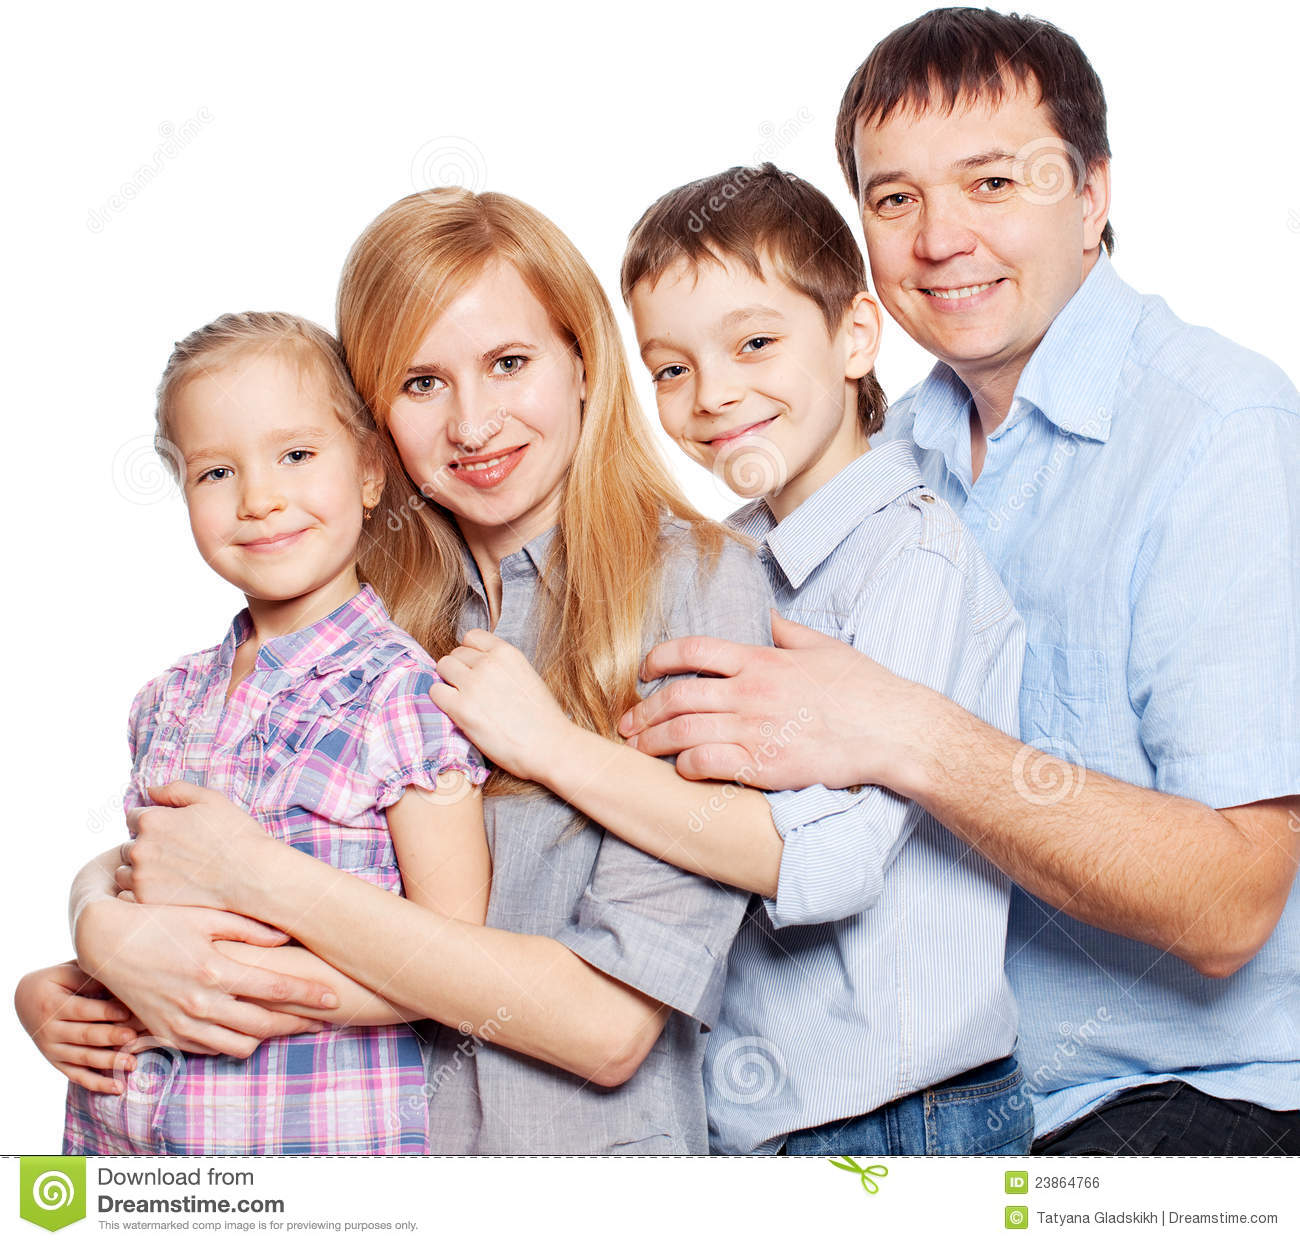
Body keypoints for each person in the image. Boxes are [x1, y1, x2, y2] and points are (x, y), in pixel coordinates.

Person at [617, 8, 1300, 1156]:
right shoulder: (866, 468)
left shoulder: (1218, 432)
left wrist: (906, 734)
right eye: (894, 200)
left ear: (1091, 195)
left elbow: (1229, 905)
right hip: (922, 1105)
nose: (939, 239)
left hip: (1177, 1101)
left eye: (991, 182)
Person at [22, 190, 774, 1155]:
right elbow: (211, 822)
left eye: (509, 363)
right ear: (373, 430)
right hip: (375, 1166)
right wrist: (101, 936)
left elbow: (607, 1027)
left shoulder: (695, 589)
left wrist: (242, 907)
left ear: (583, 360)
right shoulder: (364, 601)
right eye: (421, 383)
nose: (473, 422)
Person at [430, 162, 1031, 1156]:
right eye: (670, 369)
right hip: (741, 1123)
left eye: (755, 342)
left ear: (852, 336)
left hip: (901, 1123)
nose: (712, 395)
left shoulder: (911, 559)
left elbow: (828, 861)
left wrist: (550, 747)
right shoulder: (721, 561)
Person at [54, 311, 491, 1154]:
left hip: (307, 1145)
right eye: (217, 470)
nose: (260, 498)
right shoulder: (168, 698)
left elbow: (450, 960)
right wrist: (87, 954)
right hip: (127, 1144)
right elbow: (144, 890)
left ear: (369, 472)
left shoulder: (404, 695)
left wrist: (210, 985)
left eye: (296, 454)